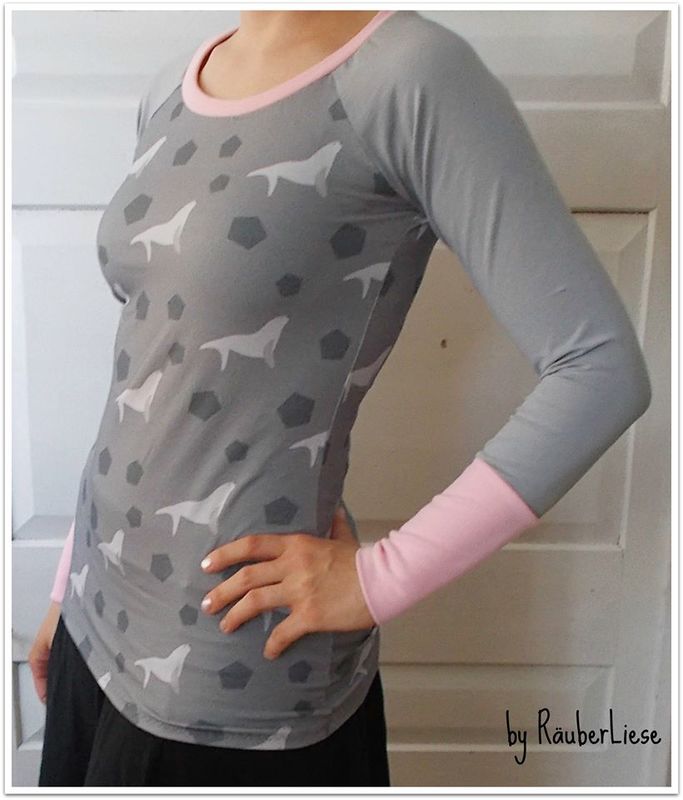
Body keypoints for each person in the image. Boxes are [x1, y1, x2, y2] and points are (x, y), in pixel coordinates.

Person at [30, 8, 651, 788]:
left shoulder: (407, 75)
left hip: (228, 665)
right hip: (96, 622)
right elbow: (152, 370)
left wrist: (377, 578)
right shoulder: (170, 88)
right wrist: (68, 585)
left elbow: (599, 369)